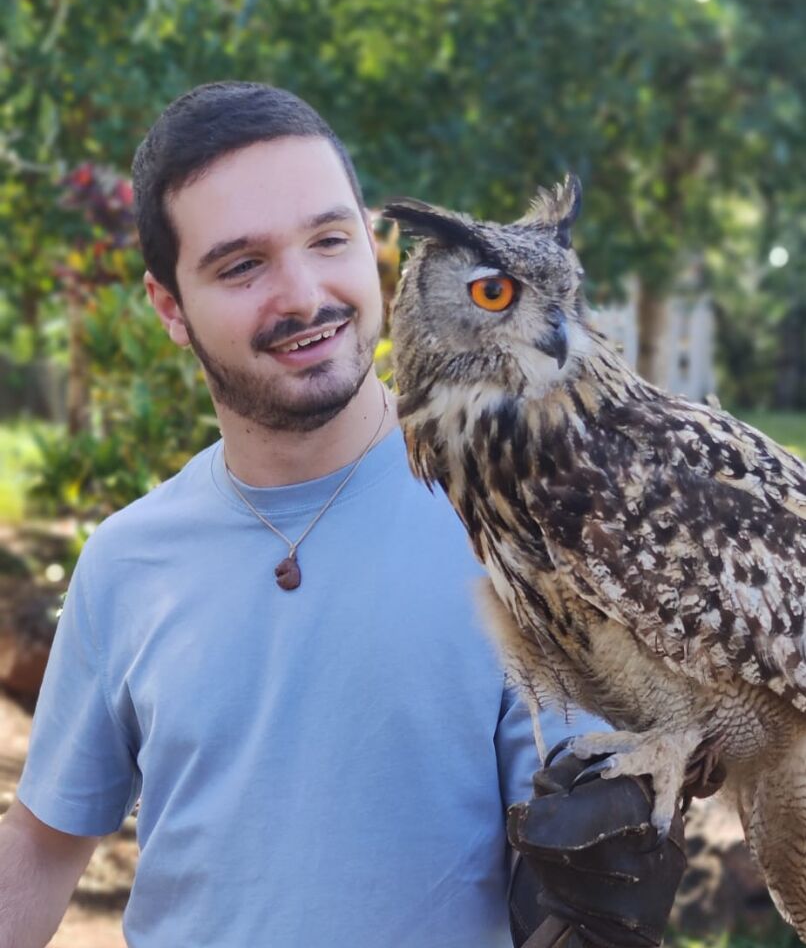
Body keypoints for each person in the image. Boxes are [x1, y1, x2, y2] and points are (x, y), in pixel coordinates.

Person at [0, 82, 681, 948]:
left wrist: (606, 850)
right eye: (241, 265)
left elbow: (576, 840)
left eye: (329, 240)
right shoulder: (127, 559)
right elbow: (43, 839)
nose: (304, 293)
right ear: (168, 306)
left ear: (372, 242)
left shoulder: (518, 532)